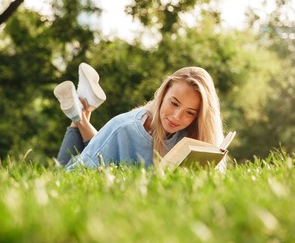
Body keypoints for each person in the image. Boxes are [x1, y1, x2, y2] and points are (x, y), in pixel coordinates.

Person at [54, 62, 226, 171]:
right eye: (174, 103)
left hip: (106, 146)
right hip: (80, 163)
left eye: (189, 112)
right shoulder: (124, 128)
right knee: (59, 173)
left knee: (108, 141)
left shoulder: (190, 135)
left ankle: (83, 108)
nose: (176, 117)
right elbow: (75, 174)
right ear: (163, 94)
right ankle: (78, 114)